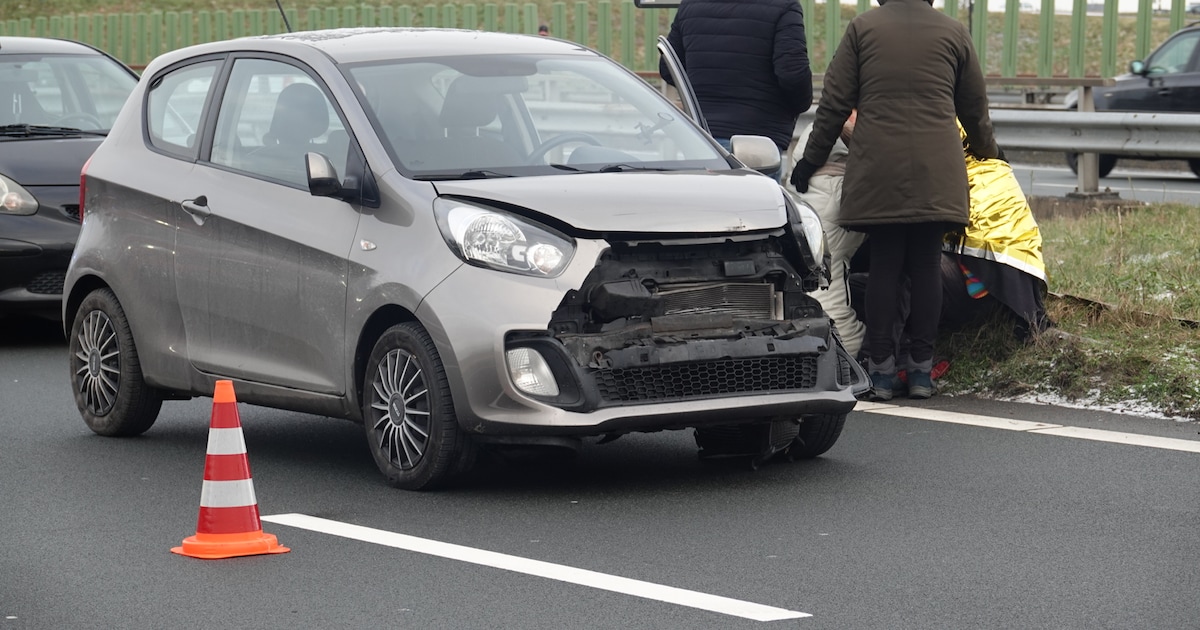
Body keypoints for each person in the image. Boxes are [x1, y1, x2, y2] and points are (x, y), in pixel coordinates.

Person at [789, 0, 998, 402]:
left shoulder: (863, 29)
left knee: (886, 265)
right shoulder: (954, 32)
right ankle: (920, 370)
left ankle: (881, 372)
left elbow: (834, 105)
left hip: (878, 168)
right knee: (924, 266)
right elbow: (974, 109)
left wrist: (811, 159)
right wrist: (988, 152)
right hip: (936, 169)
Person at [659, 0, 813, 180]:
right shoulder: (784, 6)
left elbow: (669, 68)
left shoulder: (691, 5)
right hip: (758, 147)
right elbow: (793, 75)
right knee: (758, 207)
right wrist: (799, 105)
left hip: (701, 139)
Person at [786, 110, 867, 357]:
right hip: (831, 192)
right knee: (830, 286)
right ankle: (847, 352)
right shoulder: (848, 129)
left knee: (818, 280)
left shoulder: (816, 129)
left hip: (814, 190)